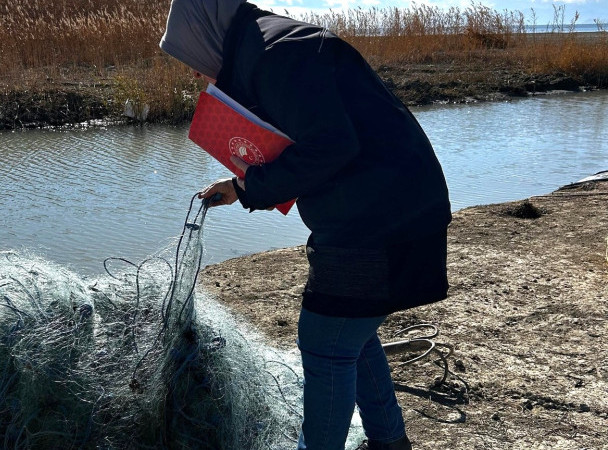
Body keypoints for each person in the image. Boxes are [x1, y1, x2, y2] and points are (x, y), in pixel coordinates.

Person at [160, 1, 452, 449]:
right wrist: (243, 186)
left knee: (325, 339)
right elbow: (319, 138)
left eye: (192, 58)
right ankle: (390, 443)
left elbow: (329, 146)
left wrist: (251, 187)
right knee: (351, 330)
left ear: (204, 33)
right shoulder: (268, 46)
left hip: (380, 220)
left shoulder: (277, 55)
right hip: (392, 206)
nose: (198, 74)